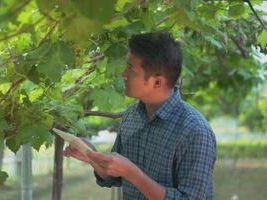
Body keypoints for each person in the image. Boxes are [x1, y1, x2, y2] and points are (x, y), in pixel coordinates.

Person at [64, 31, 216, 200]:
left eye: (131, 69)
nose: (124, 74)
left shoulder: (195, 131)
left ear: (157, 82)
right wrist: (92, 156)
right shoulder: (131, 116)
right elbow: (116, 176)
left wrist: (133, 174)